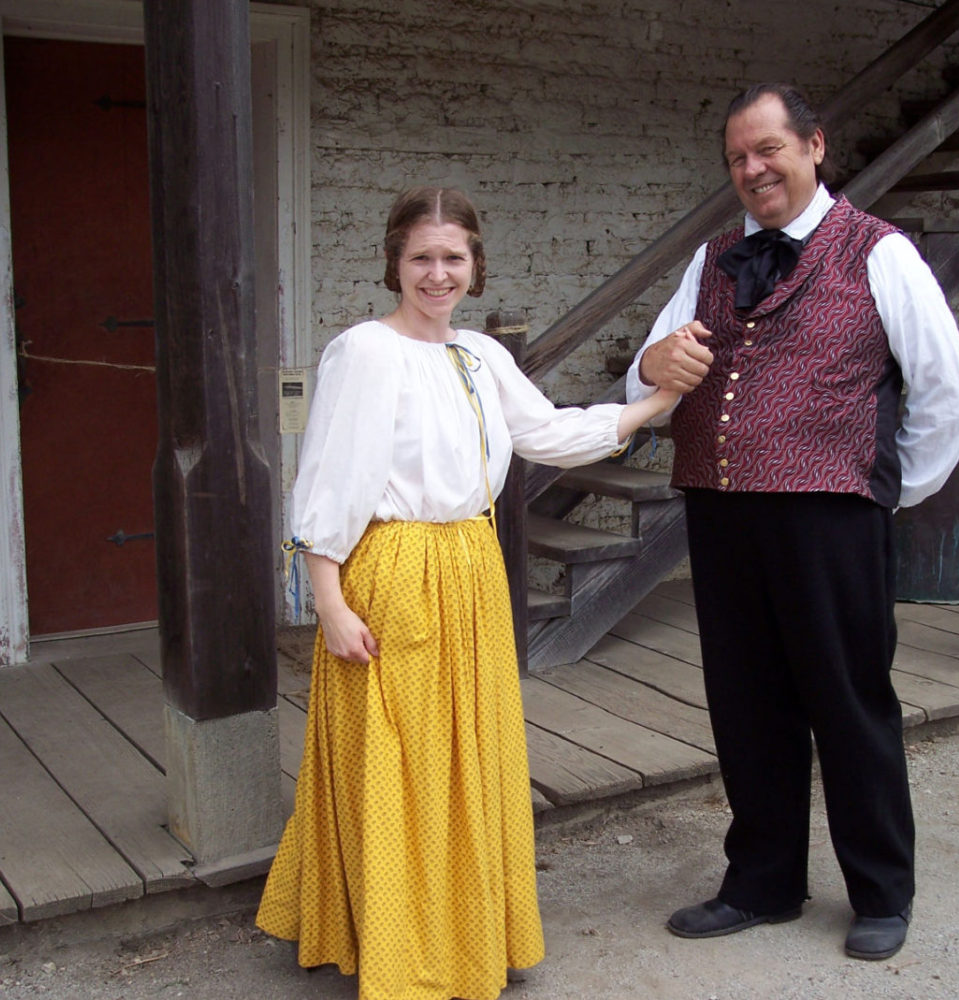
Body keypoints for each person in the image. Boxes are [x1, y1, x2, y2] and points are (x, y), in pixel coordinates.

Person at [255, 186, 678, 1000]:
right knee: (401, 764)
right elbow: (329, 482)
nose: (437, 273)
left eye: (453, 257)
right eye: (422, 257)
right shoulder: (363, 353)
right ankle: (396, 944)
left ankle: (463, 931)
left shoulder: (483, 357)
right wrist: (329, 602)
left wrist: (654, 405)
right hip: (395, 569)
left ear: (475, 265)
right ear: (394, 263)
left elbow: (547, 433)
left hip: (472, 569)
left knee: (465, 760)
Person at [627, 83, 959, 961]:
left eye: (767, 150)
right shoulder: (709, 260)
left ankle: (880, 891)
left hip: (830, 515)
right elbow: (650, 386)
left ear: (814, 147)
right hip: (719, 511)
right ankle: (763, 882)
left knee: (849, 703)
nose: (752, 170)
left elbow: (946, 390)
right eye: (737, 159)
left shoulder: (877, 252)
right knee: (746, 705)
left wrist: (885, 491)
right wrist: (648, 362)